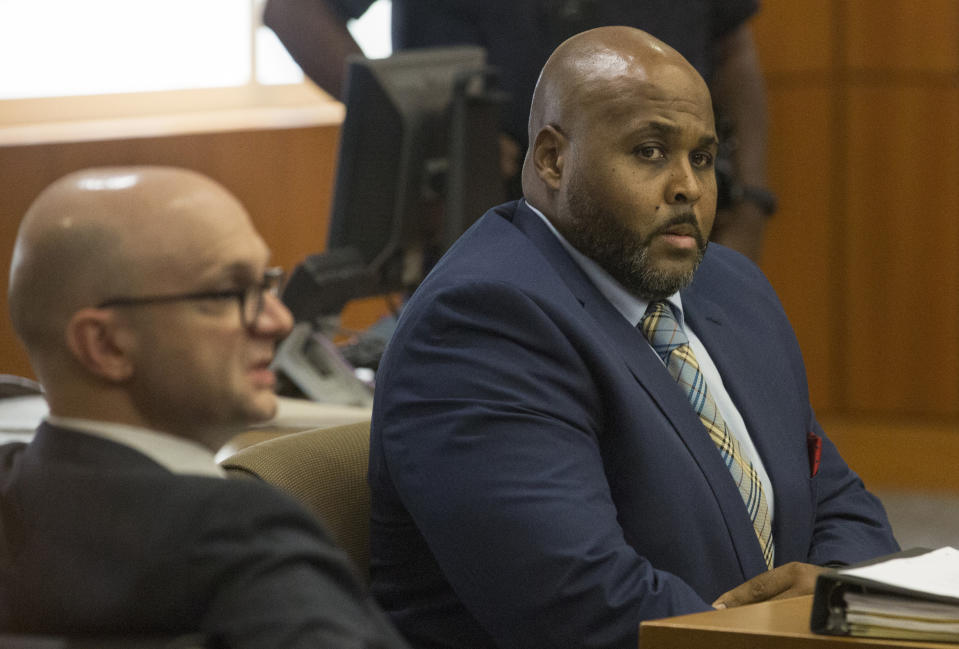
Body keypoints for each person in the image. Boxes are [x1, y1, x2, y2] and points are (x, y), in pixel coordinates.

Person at [367, 27, 899, 649]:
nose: (689, 188)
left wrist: (837, 594)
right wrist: (802, 631)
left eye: (703, 157)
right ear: (552, 159)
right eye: (650, 152)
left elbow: (837, 501)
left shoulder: (732, 288)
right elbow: (588, 606)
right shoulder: (482, 326)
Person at [0, 166, 410, 648]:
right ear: (106, 345)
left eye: (266, 284)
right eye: (227, 293)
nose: (278, 320)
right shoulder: (238, 538)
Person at [262, 0, 773, 261]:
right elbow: (294, 12)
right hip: (486, 221)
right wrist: (426, 129)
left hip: (666, 229)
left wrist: (750, 204)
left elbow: (732, 48)